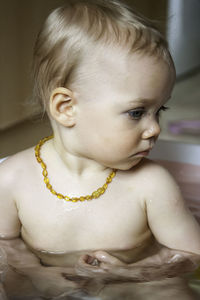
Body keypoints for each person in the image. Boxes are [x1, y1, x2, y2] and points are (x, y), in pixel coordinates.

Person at [0, 0, 200, 299]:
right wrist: (37, 274)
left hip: (134, 289)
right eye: (137, 112)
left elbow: (191, 254)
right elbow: (5, 245)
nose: (155, 127)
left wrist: (135, 273)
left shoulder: (151, 184)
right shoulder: (12, 179)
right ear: (66, 108)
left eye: (159, 110)